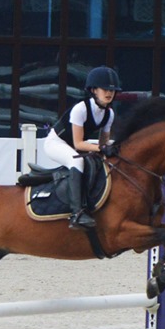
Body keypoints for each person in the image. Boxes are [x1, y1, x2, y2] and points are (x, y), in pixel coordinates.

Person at [44, 66, 121, 230]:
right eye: (105, 89)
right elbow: (79, 144)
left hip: (74, 145)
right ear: (94, 90)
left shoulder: (109, 114)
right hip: (55, 143)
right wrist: (101, 148)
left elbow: (104, 142)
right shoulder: (81, 108)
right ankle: (76, 213)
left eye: (112, 90)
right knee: (76, 163)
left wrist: (116, 147)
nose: (109, 93)